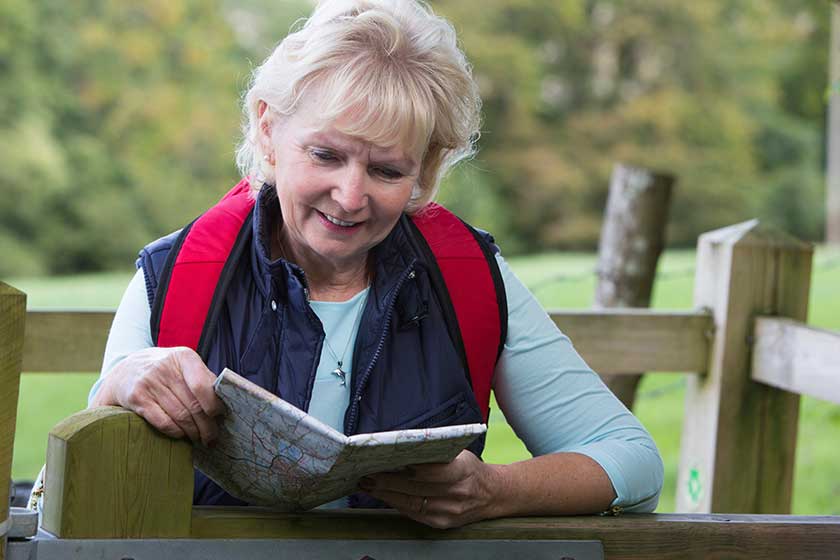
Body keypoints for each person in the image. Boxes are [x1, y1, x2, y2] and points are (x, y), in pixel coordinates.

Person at [88, 0, 663, 528]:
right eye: (326, 155)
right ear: (268, 129)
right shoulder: (181, 272)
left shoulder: (467, 277)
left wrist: (494, 491)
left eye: (387, 170)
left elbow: (632, 462)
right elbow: (96, 460)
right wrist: (120, 383)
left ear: (427, 168)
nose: (350, 196)